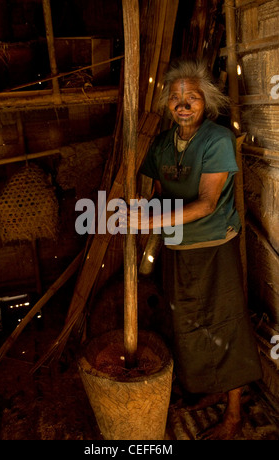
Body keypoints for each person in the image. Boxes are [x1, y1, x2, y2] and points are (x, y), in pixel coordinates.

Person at [135, 59, 262, 440]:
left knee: (225, 323)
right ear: (167, 105)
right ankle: (210, 390)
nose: (183, 104)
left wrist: (148, 223)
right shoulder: (161, 144)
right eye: (176, 98)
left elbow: (208, 203)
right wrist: (135, 213)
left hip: (213, 247)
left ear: (206, 102)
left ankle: (235, 413)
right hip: (176, 247)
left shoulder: (217, 139)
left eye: (192, 97)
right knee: (187, 324)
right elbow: (157, 194)